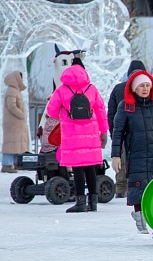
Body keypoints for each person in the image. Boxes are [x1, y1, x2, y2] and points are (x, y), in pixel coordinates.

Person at [45, 63, 109, 213]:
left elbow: (51, 111)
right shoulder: (91, 89)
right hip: (91, 134)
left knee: (78, 168)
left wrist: (64, 111)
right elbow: (101, 110)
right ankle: (93, 202)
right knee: (91, 167)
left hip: (72, 134)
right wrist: (104, 132)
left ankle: (80, 202)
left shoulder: (62, 90)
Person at [111, 70, 153, 234]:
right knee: (138, 187)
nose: (145, 88)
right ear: (134, 88)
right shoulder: (126, 106)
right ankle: (140, 221)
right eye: (141, 85)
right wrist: (115, 155)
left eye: (147, 85)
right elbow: (118, 132)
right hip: (136, 154)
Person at [107, 60, 146, 198]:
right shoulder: (146, 87)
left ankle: (121, 187)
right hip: (141, 131)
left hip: (122, 130)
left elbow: (111, 113)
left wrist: (114, 133)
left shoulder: (118, 89)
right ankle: (140, 187)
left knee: (122, 159)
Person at [1, 70, 30, 173]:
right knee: (10, 144)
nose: (22, 80)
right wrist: (21, 115)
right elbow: (12, 106)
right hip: (13, 123)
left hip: (16, 123)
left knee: (16, 144)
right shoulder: (12, 90)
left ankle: (13, 163)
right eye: (20, 78)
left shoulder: (15, 90)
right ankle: (7, 164)